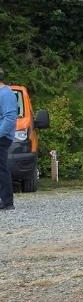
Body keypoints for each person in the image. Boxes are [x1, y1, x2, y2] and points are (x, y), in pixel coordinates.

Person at [0, 69, 18, 211]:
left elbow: (10, 118)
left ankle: (7, 202)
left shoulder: (6, 94)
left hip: (2, 137)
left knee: (1, 169)